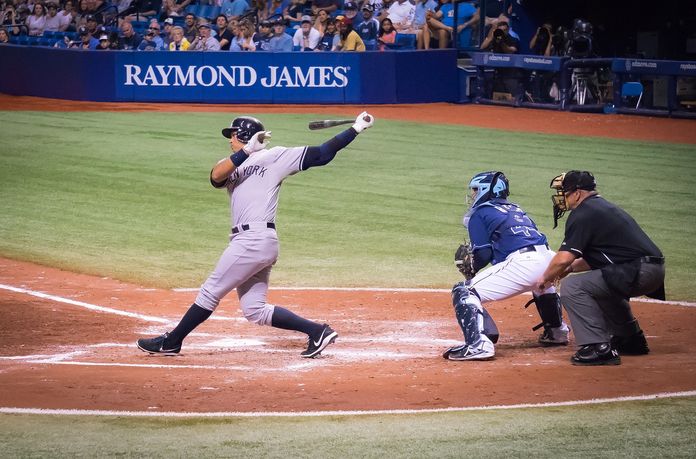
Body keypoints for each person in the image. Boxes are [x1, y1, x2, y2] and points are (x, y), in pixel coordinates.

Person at [137, 112, 376, 358]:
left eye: (232, 134)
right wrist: (246, 151)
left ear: (243, 134)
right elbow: (215, 177)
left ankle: (172, 341)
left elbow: (323, 154)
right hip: (251, 242)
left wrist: (356, 129)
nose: (229, 139)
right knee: (254, 310)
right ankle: (318, 332)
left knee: (210, 291)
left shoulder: (275, 156)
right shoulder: (233, 161)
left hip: (255, 240)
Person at [536, 171, 665, 366]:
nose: (561, 196)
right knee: (601, 285)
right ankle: (629, 339)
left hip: (637, 271)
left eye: (564, 191)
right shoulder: (601, 208)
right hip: (651, 270)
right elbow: (602, 258)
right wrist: (570, 268)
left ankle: (597, 347)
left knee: (573, 287)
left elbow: (563, 258)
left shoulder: (583, 213)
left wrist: (545, 278)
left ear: (578, 193)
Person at [442, 171, 569, 361]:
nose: (473, 195)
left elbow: (484, 253)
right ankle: (557, 331)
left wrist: (473, 269)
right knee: (541, 285)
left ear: (487, 190)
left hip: (525, 263)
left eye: (476, 190)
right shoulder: (516, 209)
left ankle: (478, 345)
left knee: (464, 291)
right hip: (549, 258)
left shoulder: (480, 213)